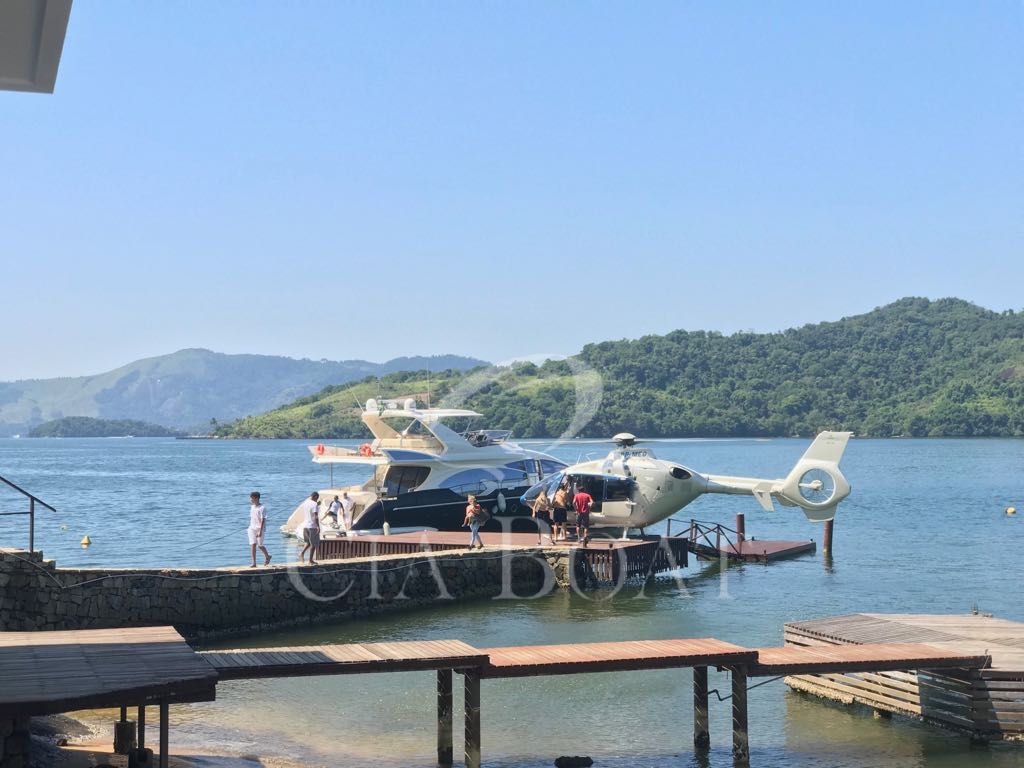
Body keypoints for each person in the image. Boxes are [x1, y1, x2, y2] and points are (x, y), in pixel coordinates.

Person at [247, 491, 272, 567]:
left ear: (256, 498)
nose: (250, 499)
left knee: (260, 545)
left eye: (252, 498)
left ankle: (267, 556)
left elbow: (263, 520)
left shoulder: (262, 508)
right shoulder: (252, 507)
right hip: (252, 528)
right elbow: (252, 518)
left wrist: (260, 531)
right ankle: (254, 563)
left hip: (259, 529)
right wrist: (250, 526)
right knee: (253, 544)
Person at [299, 491, 321, 565]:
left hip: (305, 526)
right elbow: (315, 516)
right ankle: (310, 560)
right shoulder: (314, 504)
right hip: (312, 526)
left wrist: (317, 505)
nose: (317, 500)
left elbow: (310, 509)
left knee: (308, 542)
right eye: (317, 498)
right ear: (315, 497)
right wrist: (318, 526)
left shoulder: (305, 502)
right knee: (313, 544)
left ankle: (302, 553)